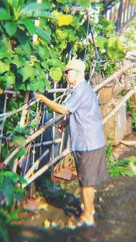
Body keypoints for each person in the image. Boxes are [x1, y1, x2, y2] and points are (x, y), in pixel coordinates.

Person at [34, 59, 108, 226]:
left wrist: (42, 98)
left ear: (78, 73)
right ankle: (89, 209)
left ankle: (88, 215)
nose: (66, 74)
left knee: (86, 181)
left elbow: (64, 109)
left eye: (69, 71)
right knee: (86, 179)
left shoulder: (80, 90)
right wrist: (67, 122)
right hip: (92, 140)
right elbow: (84, 112)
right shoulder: (84, 89)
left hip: (87, 142)